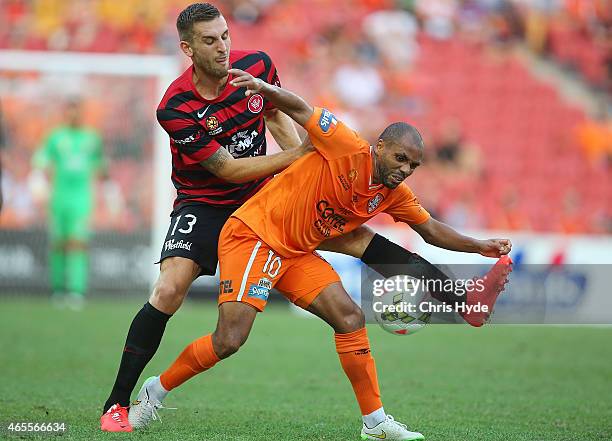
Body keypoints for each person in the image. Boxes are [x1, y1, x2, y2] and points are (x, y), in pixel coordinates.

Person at [101, 3, 510, 432]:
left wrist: (480, 246)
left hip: (279, 219)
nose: (222, 46)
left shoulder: (389, 188)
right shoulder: (180, 107)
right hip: (222, 209)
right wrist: (296, 154)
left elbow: (428, 228)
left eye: (225, 36)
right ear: (188, 48)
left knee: (355, 294)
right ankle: (133, 397)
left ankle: (395, 396)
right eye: (210, 40)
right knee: (194, 311)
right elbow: (240, 155)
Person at [32, 98, 107, 310]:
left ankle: (75, 290)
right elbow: (41, 162)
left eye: (77, 111)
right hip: (59, 197)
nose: (73, 115)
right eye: (70, 111)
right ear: (65, 113)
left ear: (81, 113)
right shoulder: (55, 137)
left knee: (77, 243)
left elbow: (100, 166)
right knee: (58, 243)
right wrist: (38, 182)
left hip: (82, 198)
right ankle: (58, 289)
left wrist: (108, 192)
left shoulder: (92, 138)